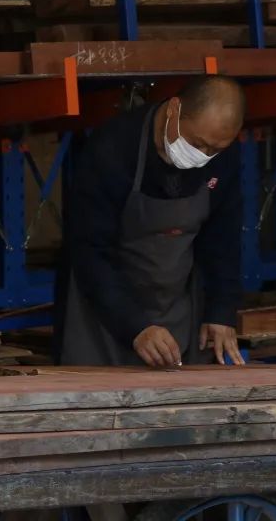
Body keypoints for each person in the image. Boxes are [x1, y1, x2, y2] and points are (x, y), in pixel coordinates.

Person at [61, 75, 247, 368]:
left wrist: (221, 311)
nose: (203, 157)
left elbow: (223, 239)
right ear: (174, 109)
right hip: (103, 314)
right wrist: (135, 326)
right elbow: (90, 251)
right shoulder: (112, 149)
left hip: (176, 309)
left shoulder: (222, 152)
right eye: (197, 144)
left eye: (215, 150)